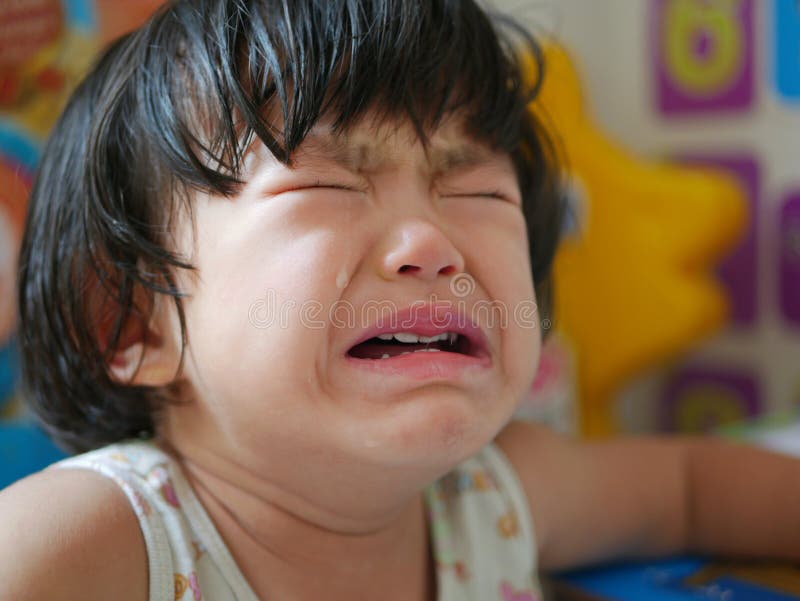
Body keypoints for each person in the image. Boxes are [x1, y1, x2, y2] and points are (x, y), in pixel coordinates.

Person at [2, 1, 799, 599]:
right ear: (135, 320)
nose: (431, 243)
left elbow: (693, 488)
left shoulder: (493, 495)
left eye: (479, 189)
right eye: (327, 182)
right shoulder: (95, 539)